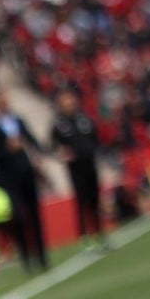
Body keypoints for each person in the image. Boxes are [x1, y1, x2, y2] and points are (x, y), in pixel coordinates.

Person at [0, 96, 45, 274]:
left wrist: (38, 155)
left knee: (34, 215)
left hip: (26, 173)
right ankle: (26, 257)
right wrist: (6, 148)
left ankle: (41, 256)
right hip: (8, 179)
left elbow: (31, 139)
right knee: (17, 217)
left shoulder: (18, 120)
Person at [48, 88, 101, 249]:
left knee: (94, 198)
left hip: (90, 162)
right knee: (81, 201)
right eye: (66, 99)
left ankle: (99, 233)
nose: (70, 102)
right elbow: (53, 146)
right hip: (76, 168)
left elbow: (94, 137)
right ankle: (84, 236)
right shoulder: (59, 124)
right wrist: (63, 154)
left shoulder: (83, 118)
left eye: (71, 98)